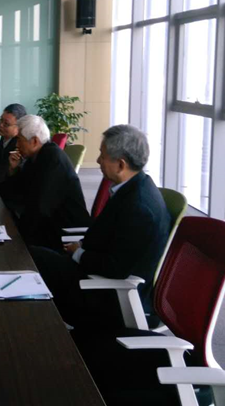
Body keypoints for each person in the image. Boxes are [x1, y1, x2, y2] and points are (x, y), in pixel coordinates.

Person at [30, 125, 171, 330]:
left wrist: (79, 253)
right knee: (34, 255)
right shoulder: (132, 187)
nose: (97, 161)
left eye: (102, 156)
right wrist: (81, 246)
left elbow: (116, 268)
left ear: (121, 164)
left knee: (32, 260)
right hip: (95, 271)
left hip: (110, 294)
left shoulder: (139, 207)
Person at [3, 114, 90, 249]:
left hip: (66, 233)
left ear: (34, 141)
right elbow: (18, 192)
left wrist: (15, 234)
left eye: (19, 140)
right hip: (47, 224)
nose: (17, 145)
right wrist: (13, 170)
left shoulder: (53, 159)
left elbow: (39, 208)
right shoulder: (36, 156)